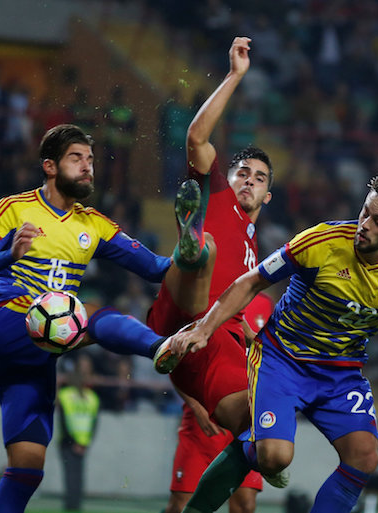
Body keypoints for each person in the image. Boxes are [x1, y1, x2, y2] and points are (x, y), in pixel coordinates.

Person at [163, 175, 378, 513]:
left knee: (364, 456)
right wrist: (203, 328)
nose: (365, 225)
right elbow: (252, 281)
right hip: (282, 359)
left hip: (341, 373)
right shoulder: (323, 240)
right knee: (273, 459)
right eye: (365, 213)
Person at [0, 124, 173, 513]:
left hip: (42, 351)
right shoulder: (15, 208)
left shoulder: (94, 224)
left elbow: (157, 269)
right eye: (77, 158)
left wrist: (191, 251)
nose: (88, 167)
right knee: (95, 314)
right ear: (50, 166)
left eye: (90, 160)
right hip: (8, 320)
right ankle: (161, 348)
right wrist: (9, 255)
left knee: (27, 469)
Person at [148, 35, 277, 485]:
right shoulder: (220, 194)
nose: (249, 181)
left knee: (251, 427)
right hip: (182, 304)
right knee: (208, 251)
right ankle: (191, 247)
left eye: (259, 178)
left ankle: (263, 459)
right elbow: (196, 137)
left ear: (268, 194)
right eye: (244, 172)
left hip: (207, 341)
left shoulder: (257, 253)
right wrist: (234, 75)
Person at [164, 293, 274, 513]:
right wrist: (196, 406)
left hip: (244, 417)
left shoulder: (266, 303)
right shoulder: (206, 294)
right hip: (203, 419)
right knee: (181, 505)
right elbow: (172, 357)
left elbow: (268, 356)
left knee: (245, 505)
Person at [57, 353, 100, 512]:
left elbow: (94, 423)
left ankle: (75, 504)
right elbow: (64, 422)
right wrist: (75, 442)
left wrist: (86, 442)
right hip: (69, 442)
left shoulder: (91, 397)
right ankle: (71, 504)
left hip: (81, 442)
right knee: (72, 475)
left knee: (76, 475)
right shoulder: (66, 395)